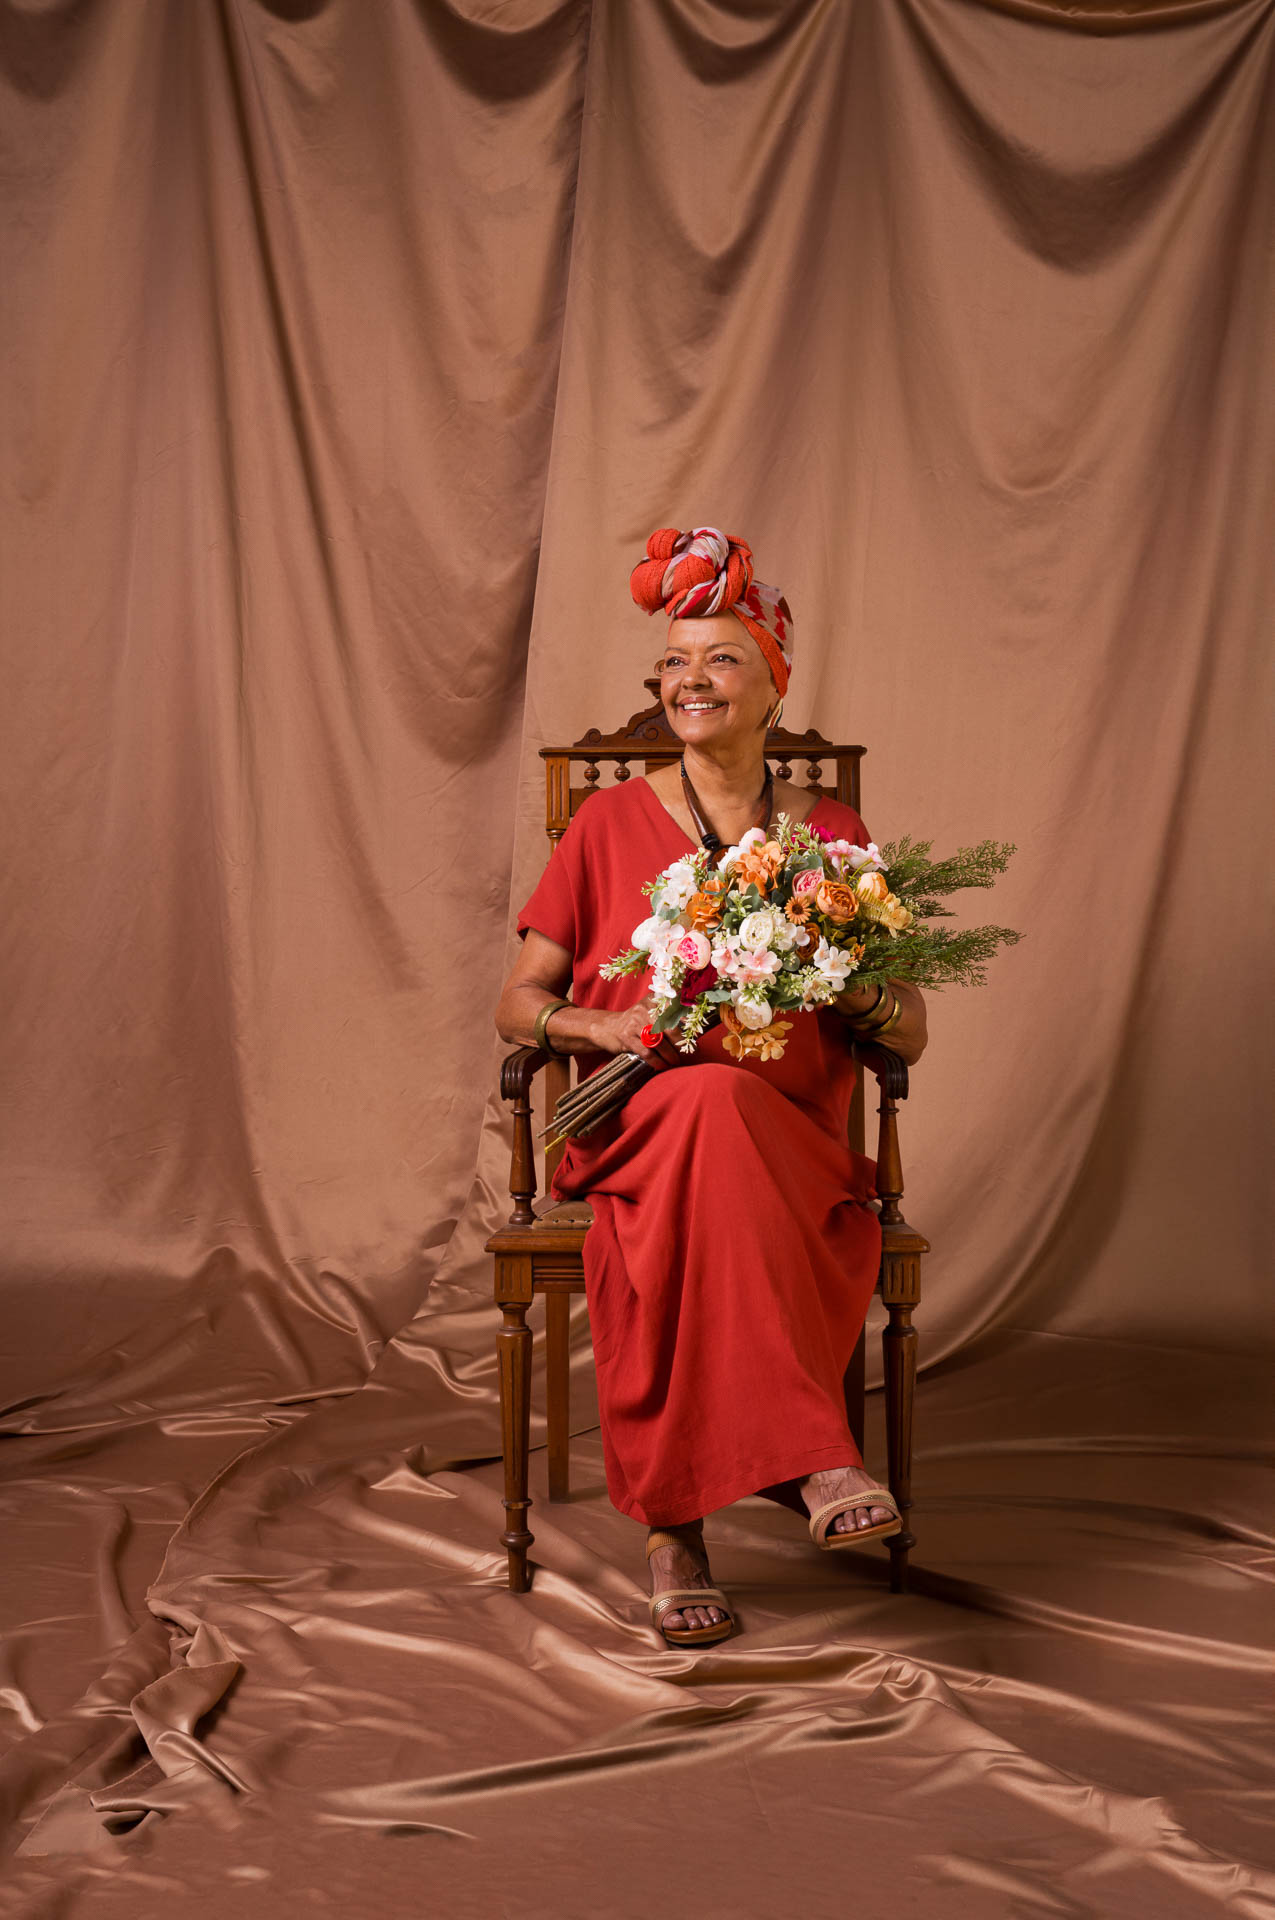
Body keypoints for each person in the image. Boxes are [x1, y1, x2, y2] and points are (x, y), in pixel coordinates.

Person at [494, 526, 927, 1647]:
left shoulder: (832, 836)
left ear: (775, 683)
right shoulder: (607, 823)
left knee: (722, 1141)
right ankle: (816, 1457)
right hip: (636, 1126)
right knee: (707, 1102)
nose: (691, 679)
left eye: (721, 658)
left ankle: (673, 1532)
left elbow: (910, 1029)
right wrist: (603, 1023)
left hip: (792, 1139)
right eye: (674, 662)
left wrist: (843, 981)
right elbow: (517, 1003)